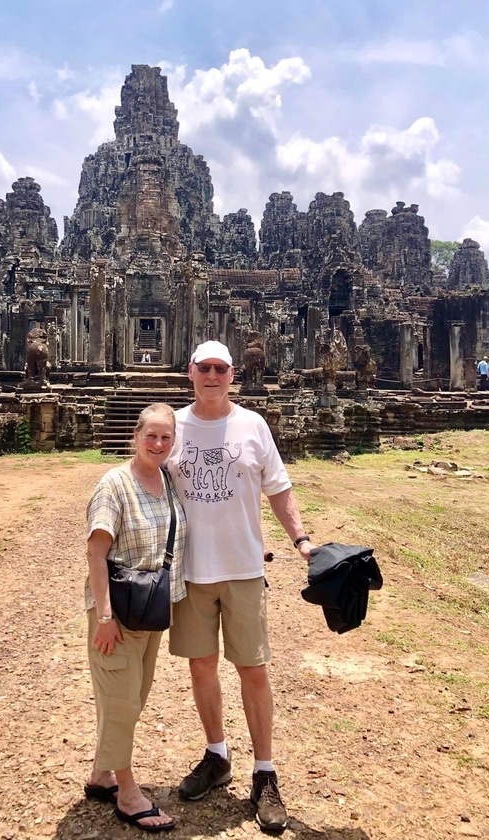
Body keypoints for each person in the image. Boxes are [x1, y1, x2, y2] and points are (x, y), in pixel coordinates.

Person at [167, 340, 312, 834]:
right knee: (201, 666)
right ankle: (217, 755)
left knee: (253, 668)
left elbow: (279, 488)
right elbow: (144, 480)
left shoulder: (253, 425)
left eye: (220, 369)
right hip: (191, 569)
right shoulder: (173, 426)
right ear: (191, 372)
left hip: (244, 566)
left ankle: (265, 772)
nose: (212, 375)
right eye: (204, 368)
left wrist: (302, 539)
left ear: (234, 375)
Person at [85, 403, 186, 833]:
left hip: (149, 607)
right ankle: (127, 794)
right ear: (136, 434)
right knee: (123, 699)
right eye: (152, 435)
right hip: (118, 612)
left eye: (166, 437)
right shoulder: (114, 484)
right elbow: (95, 551)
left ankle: (100, 775)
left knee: (130, 697)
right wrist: (104, 615)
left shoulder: (166, 479)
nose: (158, 443)